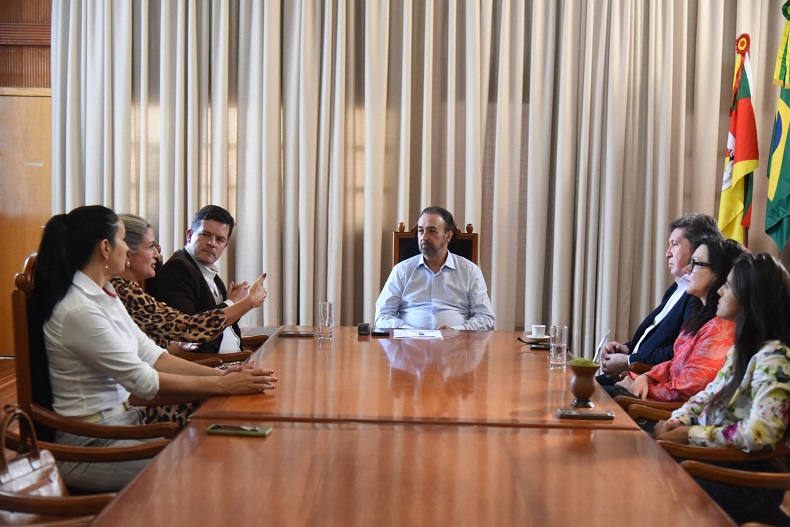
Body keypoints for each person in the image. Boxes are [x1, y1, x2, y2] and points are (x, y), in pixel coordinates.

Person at [29, 205, 278, 492]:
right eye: (122, 240)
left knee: (220, 450)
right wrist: (224, 385)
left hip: (123, 426)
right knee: (207, 469)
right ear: (106, 248)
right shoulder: (78, 309)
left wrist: (224, 376)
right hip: (89, 445)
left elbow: (153, 355)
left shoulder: (105, 293)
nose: (128, 248)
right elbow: (143, 380)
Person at [654, 253, 790, 524]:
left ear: (749, 297)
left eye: (728, 285)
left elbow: (760, 433)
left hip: (746, 481)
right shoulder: (743, 349)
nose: (719, 291)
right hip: (715, 461)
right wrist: (677, 421)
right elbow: (707, 396)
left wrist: (690, 435)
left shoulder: (774, 358)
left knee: (656, 487)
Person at [611, 237, 744, 402]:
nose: (687, 269)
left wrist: (641, 387)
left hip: (664, 408)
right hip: (655, 394)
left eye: (695, 263)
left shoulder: (721, 327)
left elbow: (688, 389)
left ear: (718, 273)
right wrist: (646, 377)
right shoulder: (699, 316)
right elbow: (675, 363)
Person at [112, 213, 267, 350]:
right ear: (128, 252)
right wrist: (247, 302)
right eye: (151, 246)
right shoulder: (124, 290)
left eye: (219, 239)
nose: (158, 255)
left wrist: (175, 348)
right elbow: (191, 328)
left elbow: (157, 350)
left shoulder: (126, 287)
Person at [598, 213, 722, 385]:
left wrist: (629, 361)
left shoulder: (698, 296)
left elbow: (679, 352)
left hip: (648, 380)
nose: (667, 253)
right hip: (634, 372)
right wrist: (628, 349)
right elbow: (657, 335)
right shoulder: (677, 287)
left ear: (697, 249)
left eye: (674, 244)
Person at [146, 205, 253, 353]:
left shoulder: (209, 272)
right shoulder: (178, 268)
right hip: (211, 362)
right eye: (205, 234)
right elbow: (190, 328)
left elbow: (223, 324)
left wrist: (231, 302)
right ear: (189, 235)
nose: (212, 243)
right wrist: (233, 303)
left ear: (225, 246)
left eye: (220, 239)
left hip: (236, 357)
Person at [374, 206, 495, 330]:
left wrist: (458, 330)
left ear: (448, 236)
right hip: (409, 340)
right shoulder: (402, 270)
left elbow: (486, 318)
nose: (424, 237)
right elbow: (382, 315)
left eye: (432, 231)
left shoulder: (470, 271)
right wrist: (409, 330)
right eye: (421, 231)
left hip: (457, 340)